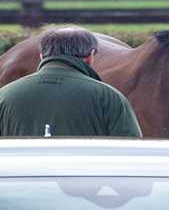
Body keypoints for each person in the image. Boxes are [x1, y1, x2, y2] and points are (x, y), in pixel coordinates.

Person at [0, 26, 142, 137]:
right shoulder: (109, 98)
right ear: (91, 56)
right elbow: (130, 149)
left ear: (42, 55)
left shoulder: (4, 95)